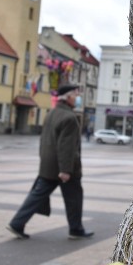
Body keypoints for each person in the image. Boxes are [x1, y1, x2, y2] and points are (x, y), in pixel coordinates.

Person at [7, 83, 94, 240]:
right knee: (74, 197)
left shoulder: (51, 113)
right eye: (75, 95)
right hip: (64, 168)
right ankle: (75, 229)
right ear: (67, 98)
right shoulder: (69, 118)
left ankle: (17, 223)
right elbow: (66, 147)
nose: (77, 98)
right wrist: (66, 170)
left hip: (48, 165)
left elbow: (45, 141)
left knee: (36, 196)